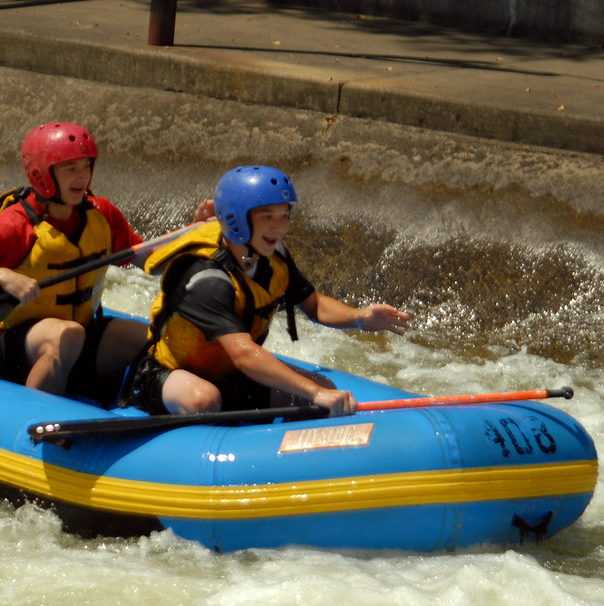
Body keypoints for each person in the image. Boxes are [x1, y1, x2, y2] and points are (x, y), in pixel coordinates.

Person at [125, 165, 410, 417]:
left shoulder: (273, 258)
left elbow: (316, 305)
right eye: (267, 217)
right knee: (204, 399)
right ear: (236, 219)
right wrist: (314, 392)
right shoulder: (207, 278)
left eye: (285, 215)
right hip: (170, 376)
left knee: (324, 389)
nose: (280, 227)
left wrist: (361, 317)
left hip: (232, 374)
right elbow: (244, 353)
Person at [0, 121, 147, 404]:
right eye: (71, 169)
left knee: (148, 336)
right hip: (18, 344)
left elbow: (151, 258)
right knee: (67, 335)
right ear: (41, 175)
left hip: (82, 332)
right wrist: (4, 277)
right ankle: (33, 414)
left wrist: (194, 236)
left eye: (86, 166)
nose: (82, 177)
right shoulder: (15, 224)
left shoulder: (102, 213)